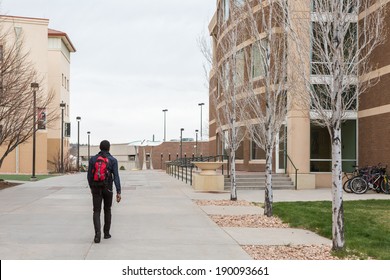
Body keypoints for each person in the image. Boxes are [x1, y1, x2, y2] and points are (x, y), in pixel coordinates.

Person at [87, 140, 122, 243]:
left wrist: (91, 187)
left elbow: (89, 176)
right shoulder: (113, 160)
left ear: (99, 147)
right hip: (108, 188)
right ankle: (106, 233)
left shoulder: (93, 159)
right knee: (107, 210)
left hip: (96, 188)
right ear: (109, 148)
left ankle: (97, 235)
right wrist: (118, 191)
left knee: (96, 211)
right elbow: (116, 176)